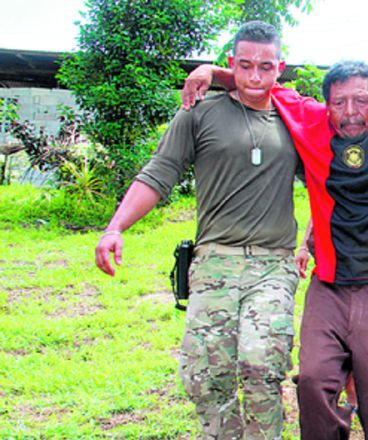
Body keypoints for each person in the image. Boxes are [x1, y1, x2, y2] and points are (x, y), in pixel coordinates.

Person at [181, 59, 368, 439]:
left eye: (362, 100)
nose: (350, 112)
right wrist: (212, 72)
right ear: (326, 104)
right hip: (330, 286)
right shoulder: (309, 121)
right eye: (339, 103)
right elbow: (262, 84)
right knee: (314, 382)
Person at [94, 21, 301, 439]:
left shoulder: (297, 117)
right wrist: (115, 227)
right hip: (214, 262)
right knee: (206, 374)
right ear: (232, 63)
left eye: (266, 67)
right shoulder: (199, 113)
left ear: (280, 68)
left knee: (262, 363)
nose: (255, 77)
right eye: (244, 67)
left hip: (273, 263)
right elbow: (159, 173)